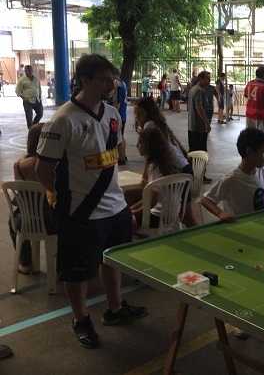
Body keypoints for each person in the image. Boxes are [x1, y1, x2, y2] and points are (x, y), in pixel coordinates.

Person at [35, 54, 147, 349]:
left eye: (114, 79)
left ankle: (115, 308)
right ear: (84, 80)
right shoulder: (63, 119)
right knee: (78, 269)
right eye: (105, 79)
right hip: (79, 210)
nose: (112, 85)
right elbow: (43, 169)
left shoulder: (111, 113)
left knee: (112, 260)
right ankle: (81, 319)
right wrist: (55, 196)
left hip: (115, 205)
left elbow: (113, 152)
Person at [200, 128, 264, 337]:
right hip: (241, 238)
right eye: (263, 152)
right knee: (243, 280)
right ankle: (241, 320)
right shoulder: (231, 179)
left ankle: (262, 310)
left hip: (261, 234)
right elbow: (206, 199)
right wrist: (220, 213)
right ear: (248, 152)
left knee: (262, 274)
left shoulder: (261, 171)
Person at [9, 123, 56, 275]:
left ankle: (26, 262)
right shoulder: (57, 165)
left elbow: (21, 194)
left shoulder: (19, 166)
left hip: (27, 222)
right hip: (53, 221)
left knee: (12, 222)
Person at [130, 128, 181, 231]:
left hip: (159, 216)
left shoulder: (154, 168)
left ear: (149, 146)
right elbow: (148, 198)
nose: (137, 146)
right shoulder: (168, 163)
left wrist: (135, 212)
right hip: (173, 213)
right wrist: (132, 209)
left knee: (125, 221)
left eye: (140, 143)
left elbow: (152, 201)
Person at [187, 71, 212, 182]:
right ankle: (200, 175)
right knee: (201, 153)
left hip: (192, 126)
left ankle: (192, 174)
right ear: (200, 79)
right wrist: (206, 122)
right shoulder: (199, 91)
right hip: (198, 127)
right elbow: (199, 107)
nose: (208, 81)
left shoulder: (193, 89)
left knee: (193, 151)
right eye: (206, 78)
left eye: (209, 79)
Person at [244, 66, 264, 136]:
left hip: (249, 113)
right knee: (262, 137)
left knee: (250, 135)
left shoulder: (249, 84)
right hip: (260, 114)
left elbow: (246, 95)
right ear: (263, 75)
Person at [15, 64, 43, 129]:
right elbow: (17, 90)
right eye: (26, 70)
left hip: (37, 100)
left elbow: (39, 88)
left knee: (40, 113)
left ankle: (34, 124)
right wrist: (23, 98)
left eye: (29, 70)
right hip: (27, 101)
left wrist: (40, 97)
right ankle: (31, 130)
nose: (28, 72)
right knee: (29, 117)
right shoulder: (22, 80)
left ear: (32, 71)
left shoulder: (36, 79)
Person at [113, 71, 128, 165]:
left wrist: (113, 115)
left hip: (119, 115)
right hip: (123, 114)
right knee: (121, 135)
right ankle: (123, 155)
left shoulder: (118, 86)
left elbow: (117, 103)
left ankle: (122, 157)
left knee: (119, 137)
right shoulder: (123, 83)